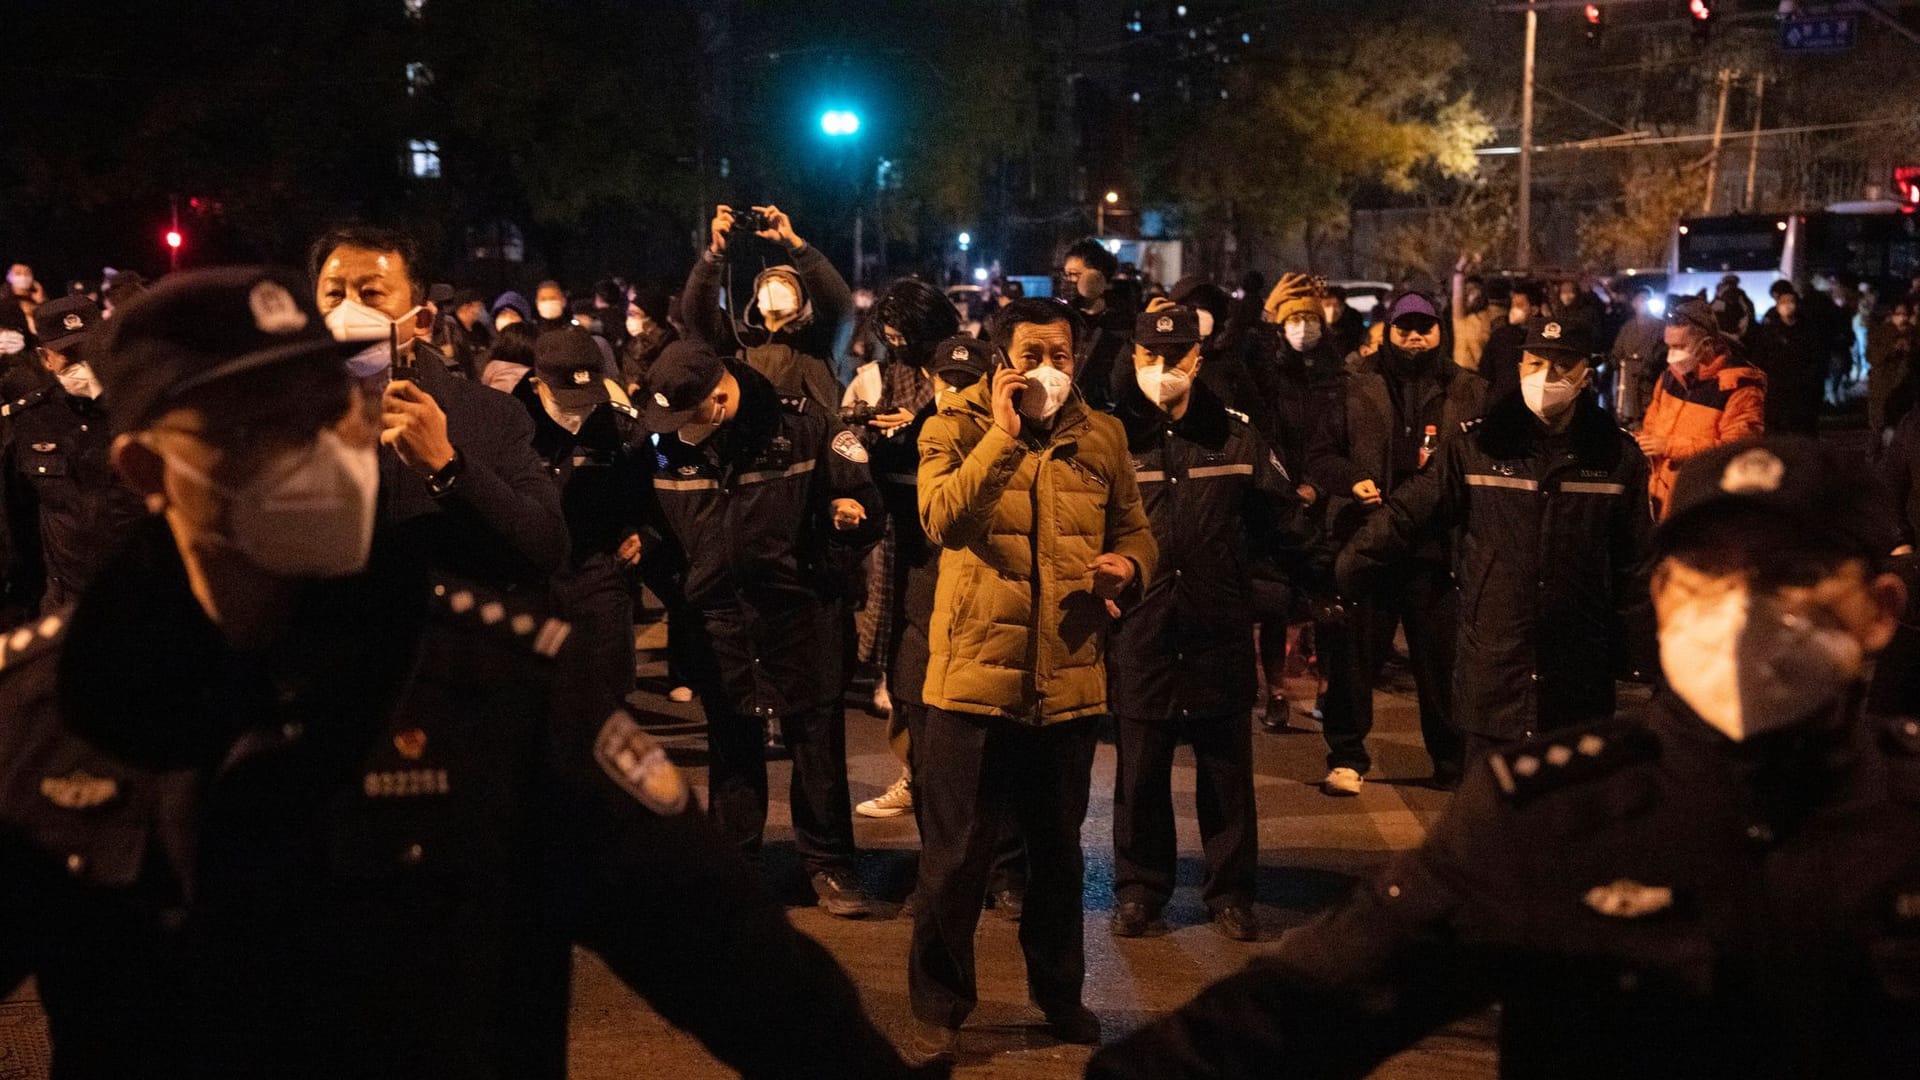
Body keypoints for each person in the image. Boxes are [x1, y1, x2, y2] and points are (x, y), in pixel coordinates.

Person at [0, 266, 931, 1079]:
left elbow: (734, 964)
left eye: (326, 413)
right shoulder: (45, 711)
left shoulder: (498, 687)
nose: (313, 451)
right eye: (253, 429)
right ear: (142, 469)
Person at [1090, 434, 1920, 1080]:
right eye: (1710, 573)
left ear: (1881, 611)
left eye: (1793, 576)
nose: (1744, 610)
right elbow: (1301, 1010)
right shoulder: (1552, 817)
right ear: (1664, 599)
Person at [904, 298, 1156, 1065]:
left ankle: (1059, 996)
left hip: (1068, 682)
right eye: (1031, 351)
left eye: (1060, 351)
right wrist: (1004, 441)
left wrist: (1131, 566)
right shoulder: (951, 427)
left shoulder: (1103, 436)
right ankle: (941, 1004)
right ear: (1000, 356)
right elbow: (941, 521)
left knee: (1058, 859)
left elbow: (1137, 527)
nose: (1048, 365)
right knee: (955, 859)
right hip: (972, 685)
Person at [640, 337, 882, 917]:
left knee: (816, 745)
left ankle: (829, 865)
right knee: (732, 746)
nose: (674, 429)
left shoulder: (805, 428)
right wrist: (682, 589)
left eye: (687, 414)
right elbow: (649, 526)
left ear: (720, 398)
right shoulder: (661, 442)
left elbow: (861, 504)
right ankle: (736, 867)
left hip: (800, 614)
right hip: (717, 617)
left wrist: (832, 552)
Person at [1338, 318, 1651, 764]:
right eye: (1537, 362)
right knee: (1490, 814)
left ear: (1587, 372)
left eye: (1564, 365)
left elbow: (1636, 560)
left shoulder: (1615, 456)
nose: (1548, 377)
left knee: (1567, 816)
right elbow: (1411, 512)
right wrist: (1349, 566)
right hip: (1495, 661)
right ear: (1520, 366)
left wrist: (1637, 652)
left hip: (1576, 664)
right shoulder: (1479, 446)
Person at [1107, 304, 1306, 942]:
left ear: (1197, 359)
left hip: (1216, 623)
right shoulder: (1111, 438)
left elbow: (1282, 525)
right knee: (1140, 770)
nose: (1162, 370)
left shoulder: (1236, 435)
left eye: (1175, 358)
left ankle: (1231, 893)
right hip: (1139, 624)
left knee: (1226, 770)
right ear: (1134, 358)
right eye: (1150, 358)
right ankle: (1141, 890)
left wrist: (1283, 592)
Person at [310, 224, 567, 587]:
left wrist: (448, 467)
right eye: (334, 295)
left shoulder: (489, 415)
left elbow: (546, 548)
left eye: (371, 294)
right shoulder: (286, 419)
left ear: (421, 320)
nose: (349, 312)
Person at [1307, 291, 1484, 792]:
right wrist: (1348, 480)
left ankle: (1450, 763)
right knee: (1354, 660)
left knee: (1440, 663)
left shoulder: (1469, 391)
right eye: (1404, 327)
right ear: (1387, 330)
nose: (1414, 337)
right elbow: (1319, 456)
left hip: (1436, 549)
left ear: (1439, 331)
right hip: (1369, 541)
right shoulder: (1354, 386)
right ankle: (1347, 757)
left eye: (1424, 327)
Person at [852, 278, 956, 808]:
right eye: (889, 334)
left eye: (903, 334)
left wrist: (919, 425)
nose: (895, 342)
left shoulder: (958, 371)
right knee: (900, 658)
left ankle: (941, 781)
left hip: (942, 529)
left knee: (940, 660)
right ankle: (913, 775)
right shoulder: (883, 374)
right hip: (895, 525)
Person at [512, 327, 652, 704]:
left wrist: (641, 531)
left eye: (586, 397)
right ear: (537, 384)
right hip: (530, 576)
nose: (578, 408)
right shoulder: (510, 425)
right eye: (566, 398)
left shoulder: (622, 426)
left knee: (606, 689)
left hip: (599, 567)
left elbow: (650, 487)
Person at [0, 296, 147, 623]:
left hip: (148, 599)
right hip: (69, 610)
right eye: (67, 354)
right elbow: (16, 527)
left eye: (89, 349)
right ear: (45, 358)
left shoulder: (141, 411)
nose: (82, 364)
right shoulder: (26, 423)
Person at [684, 204, 848, 415]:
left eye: (785, 282)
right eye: (768, 281)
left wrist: (797, 246)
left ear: (802, 299)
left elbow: (839, 307)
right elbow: (698, 316)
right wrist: (714, 255)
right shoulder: (738, 339)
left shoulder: (817, 343)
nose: (775, 285)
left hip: (806, 442)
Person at [1638, 296, 1766, 519]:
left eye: (1680, 346)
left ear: (1706, 344)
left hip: (1703, 505)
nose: (1672, 355)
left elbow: (1737, 450)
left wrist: (1668, 446)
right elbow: (1652, 425)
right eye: (1669, 346)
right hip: (1660, 498)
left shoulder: (1738, 387)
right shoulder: (1670, 377)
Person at [1060, 237, 1134, 412]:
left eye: (1075, 274)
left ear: (1098, 277)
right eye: (1066, 274)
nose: (1068, 281)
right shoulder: (1061, 319)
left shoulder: (1122, 324)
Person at [1748, 284, 1826, 437]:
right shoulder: (1769, 331)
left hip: (1802, 387)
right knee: (1776, 429)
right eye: (1784, 302)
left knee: (1802, 429)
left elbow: (1817, 356)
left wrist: (1812, 379)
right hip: (1776, 387)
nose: (1788, 306)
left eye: (1791, 302)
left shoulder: (1808, 329)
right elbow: (1760, 357)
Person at [1607, 284, 1665, 427]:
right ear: (1633, 303)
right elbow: (1618, 350)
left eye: (1645, 300)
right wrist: (1611, 363)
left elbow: (1663, 351)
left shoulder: (1660, 326)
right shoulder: (1627, 327)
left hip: (1649, 375)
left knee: (1648, 409)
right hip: (1628, 377)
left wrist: (1651, 365)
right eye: (1639, 300)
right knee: (1628, 411)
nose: (1642, 303)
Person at [1449, 255, 1493, 373]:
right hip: (1461, 373)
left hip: (1481, 375)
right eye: (1467, 292)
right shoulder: (1460, 318)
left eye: (1474, 290)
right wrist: (1460, 268)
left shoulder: (1489, 317)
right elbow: (1458, 294)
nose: (1471, 295)